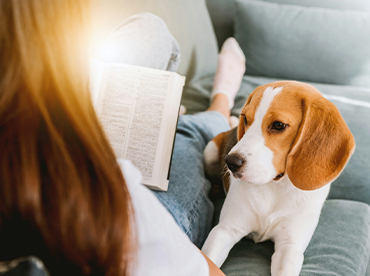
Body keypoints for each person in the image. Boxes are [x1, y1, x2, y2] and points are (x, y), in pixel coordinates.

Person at [0, 2, 245, 276]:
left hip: (43, 124)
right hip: (103, 190)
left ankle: (168, 115)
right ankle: (218, 107)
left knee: (150, 31)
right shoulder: (97, 198)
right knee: (186, 140)